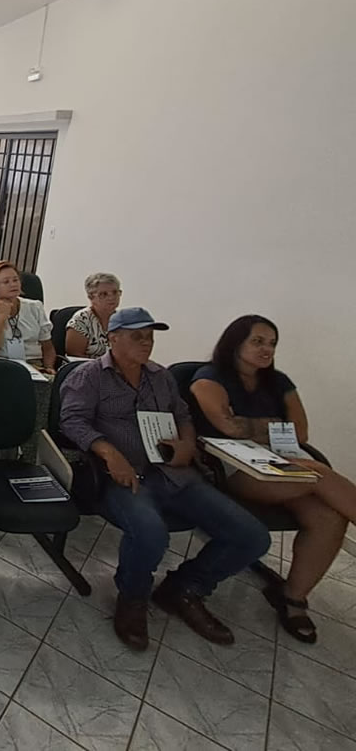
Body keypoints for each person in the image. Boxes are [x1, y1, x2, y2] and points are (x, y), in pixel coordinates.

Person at [60, 308, 270, 651]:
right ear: (113, 338)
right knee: (150, 532)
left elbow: (182, 415)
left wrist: (187, 444)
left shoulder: (161, 376)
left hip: (174, 473)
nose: (147, 343)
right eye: (137, 336)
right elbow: (72, 421)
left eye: (150, 336)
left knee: (252, 536)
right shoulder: (90, 376)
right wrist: (109, 453)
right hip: (123, 476)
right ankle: (133, 597)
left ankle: (185, 587)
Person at [191, 315, 356, 643]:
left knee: (329, 517)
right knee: (318, 474)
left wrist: (251, 425)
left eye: (272, 343)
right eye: (257, 341)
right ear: (236, 343)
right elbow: (227, 427)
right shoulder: (209, 377)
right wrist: (272, 426)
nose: (266, 349)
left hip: (283, 463)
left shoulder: (279, 382)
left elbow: (301, 432)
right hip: (235, 466)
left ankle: (292, 597)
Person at [0, 260, 55, 373]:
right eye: (6, 282)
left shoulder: (35, 307)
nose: (13, 284)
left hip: (34, 365)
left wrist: (49, 367)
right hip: (0, 366)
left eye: (15, 280)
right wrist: (1, 318)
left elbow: (48, 347)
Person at [66, 273, 123, 359]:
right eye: (103, 294)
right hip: (87, 366)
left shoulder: (124, 320)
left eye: (115, 292)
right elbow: (75, 357)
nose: (111, 297)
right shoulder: (81, 320)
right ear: (91, 297)